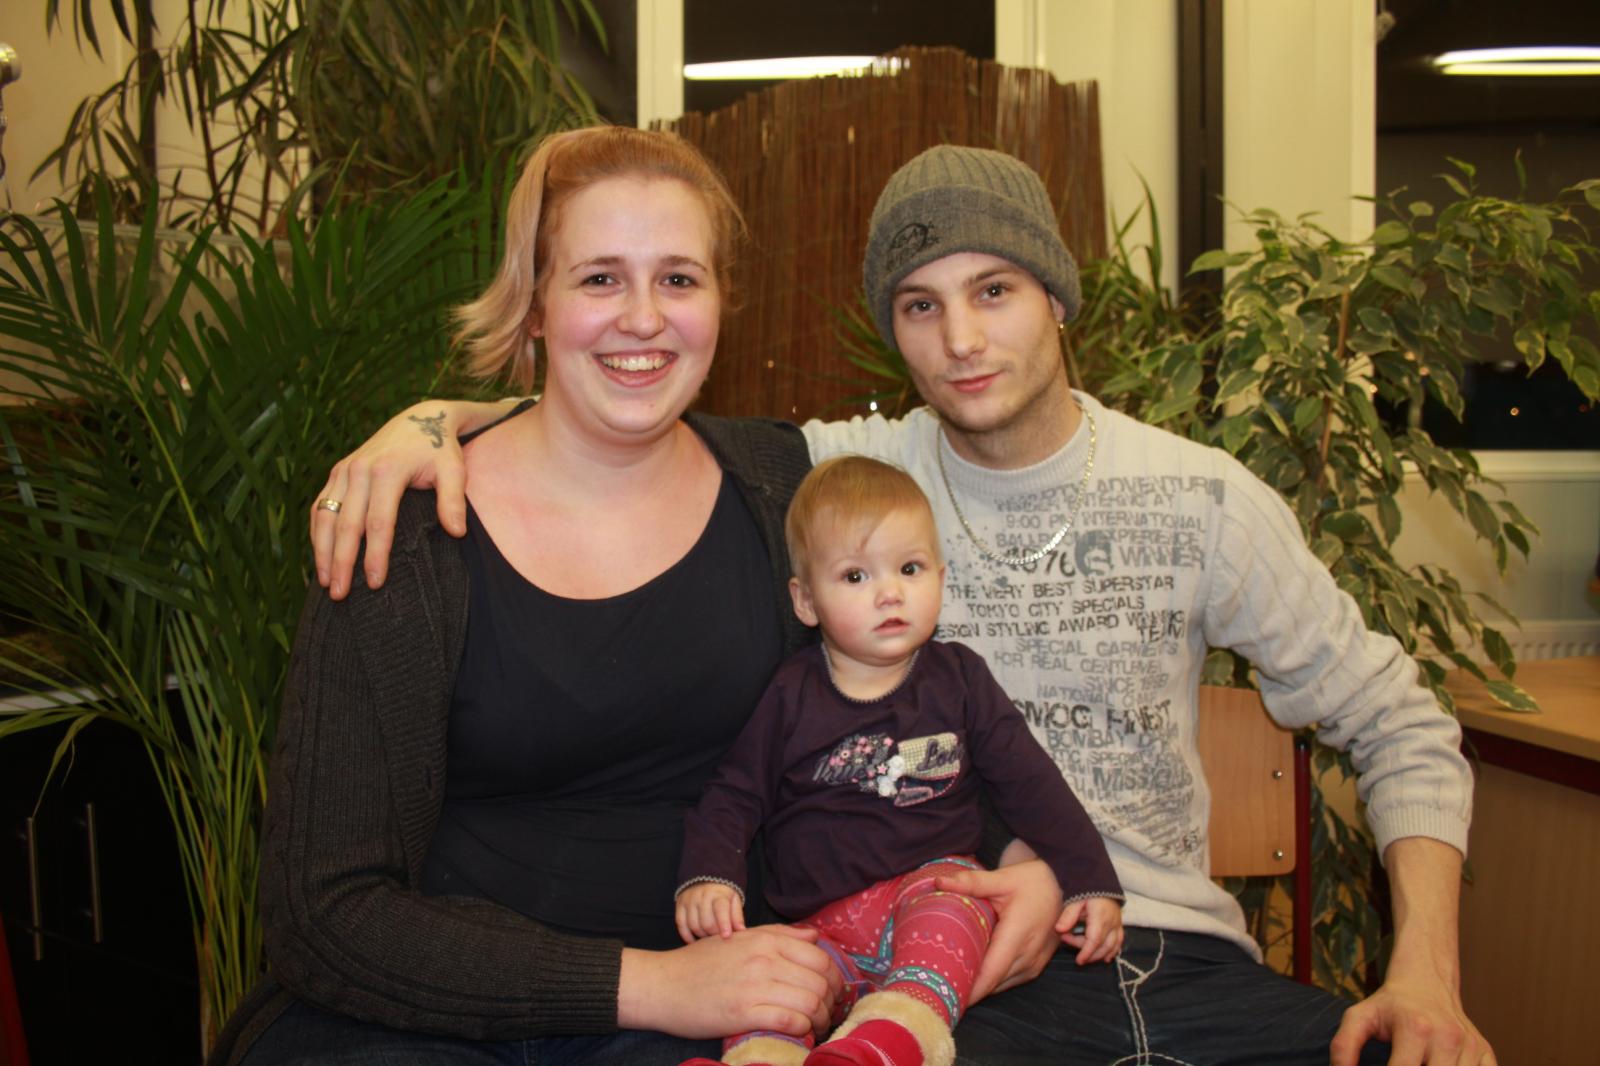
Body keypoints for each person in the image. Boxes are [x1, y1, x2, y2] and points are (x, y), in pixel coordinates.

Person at [310, 144, 1495, 1065]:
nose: (962, 339)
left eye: (995, 289)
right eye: (919, 305)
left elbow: (1400, 722)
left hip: (1187, 958)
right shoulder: (833, 476)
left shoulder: (1203, 499)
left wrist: (1426, 977)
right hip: (953, 977)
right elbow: (620, 404)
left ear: (1057, 296)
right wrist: (431, 424)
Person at [211, 125, 868, 1066]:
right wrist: (649, 985)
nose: (644, 317)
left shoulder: (783, 491)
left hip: (708, 1010)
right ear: (533, 306)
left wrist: (1021, 861)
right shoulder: (402, 527)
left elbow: (902, 704)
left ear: (721, 301)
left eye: (679, 278)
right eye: (599, 278)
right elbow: (322, 912)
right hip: (422, 1016)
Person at [674, 456, 1123, 1066]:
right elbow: (735, 793)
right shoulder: (789, 693)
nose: (890, 593)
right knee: (768, 978)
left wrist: (1089, 878)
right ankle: (760, 1056)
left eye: (909, 569)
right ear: (806, 601)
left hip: (931, 895)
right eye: (855, 576)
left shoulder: (960, 680)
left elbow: (1032, 784)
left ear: (941, 576)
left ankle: (889, 1041)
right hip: (819, 926)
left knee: (956, 908)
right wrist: (709, 874)